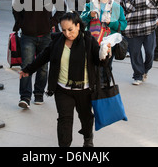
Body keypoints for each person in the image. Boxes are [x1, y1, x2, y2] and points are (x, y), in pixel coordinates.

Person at [19, 12, 111, 147]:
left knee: (86, 118)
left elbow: (99, 62)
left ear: (78, 26)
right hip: (63, 90)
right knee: (64, 120)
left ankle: (88, 138)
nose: (67, 34)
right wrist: (28, 70)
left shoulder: (88, 41)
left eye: (70, 29)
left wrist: (105, 54)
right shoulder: (57, 41)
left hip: (84, 90)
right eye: (63, 30)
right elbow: (43, 57)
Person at [12, 0, 66, 109]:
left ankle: (38, 94)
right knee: (26, 66)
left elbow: (62, 8)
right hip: (27, 36)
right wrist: (20, 23)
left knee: (43, 67)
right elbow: (15, 8)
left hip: (46, 35)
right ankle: (25, 97)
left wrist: (52, 22)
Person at [80, 0, 127, 71]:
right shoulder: (90, 5)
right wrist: (89, 15)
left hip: (109, 44)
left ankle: (105, 84)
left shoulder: (117, 7)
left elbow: (123, 25)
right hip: (92, 42)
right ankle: (96, 84)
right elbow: (80, 21)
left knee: (106, 67)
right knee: (93, 67)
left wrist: (111, 22)